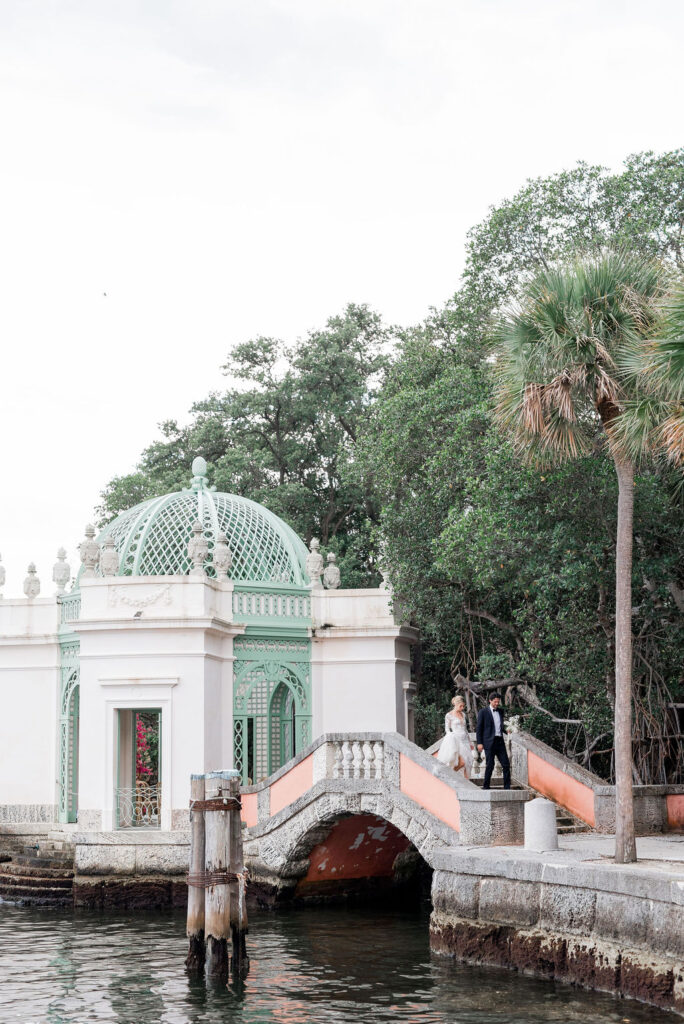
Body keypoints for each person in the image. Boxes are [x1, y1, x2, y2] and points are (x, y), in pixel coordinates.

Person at [476, 692, 511, 790]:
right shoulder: (483, 712)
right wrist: (479, 742)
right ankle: (486, 786)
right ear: (490, 701)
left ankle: (507, 787)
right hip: (489, 742)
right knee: (490, 765)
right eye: (495, 702)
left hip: (500, 741)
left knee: (506, 764)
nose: (497, 703)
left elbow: (500, 726)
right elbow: (479, 728)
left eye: (498, 702)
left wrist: (506, 730)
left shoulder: (500, 711)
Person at [436, 695, 474, 778]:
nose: (462, 708)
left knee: (468, 763)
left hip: (465, 741)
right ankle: (449, 775)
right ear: (456, 704)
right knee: (462, 762)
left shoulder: (463, 715)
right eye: (461, 706)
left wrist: (470, 742)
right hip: (457, 741)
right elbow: (447, 729)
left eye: (463, 706)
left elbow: (465, 729)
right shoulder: (449, 715)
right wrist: (451, 736)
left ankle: (466, 783)